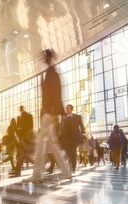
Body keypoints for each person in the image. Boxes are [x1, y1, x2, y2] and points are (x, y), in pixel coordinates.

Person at [23, 49, 72, 183]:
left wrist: (54, 113)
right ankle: (66, 172)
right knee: (53, 144)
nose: (43, 58)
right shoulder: (49, 72)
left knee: (40, 143)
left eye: (45, 56)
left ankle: (37, 175)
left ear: (49, 57)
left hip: (49, 113)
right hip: (48, 112)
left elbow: (56, 93)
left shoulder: (52, 73)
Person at [59, 104, 85, 173]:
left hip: (75, 138)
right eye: (66, 108)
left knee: (73, 152)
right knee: (69, 152)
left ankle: (73, 167)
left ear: (71, 109)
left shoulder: (77, 117)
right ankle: (70, 165)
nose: (67, 110)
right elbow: (61, 128)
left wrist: (83, 134)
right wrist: (60, 136)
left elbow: (82, 126)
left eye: (68, 108)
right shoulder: (63, 118)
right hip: (67, 139)